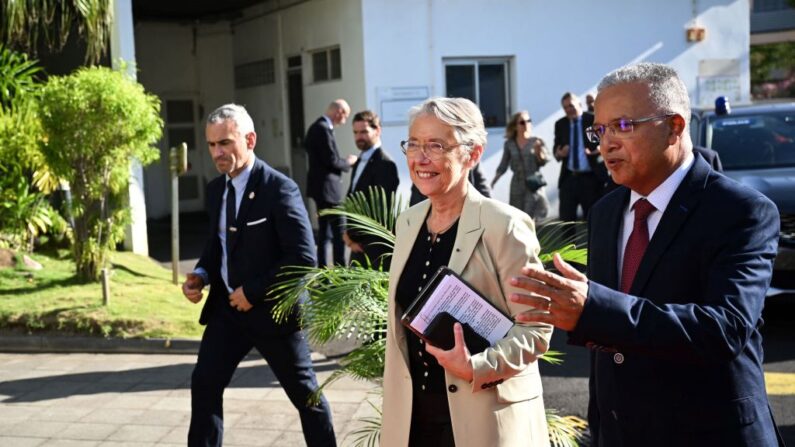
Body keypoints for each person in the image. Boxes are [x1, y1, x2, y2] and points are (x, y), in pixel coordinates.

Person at [510, 63, 784, 446]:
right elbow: (607, 351)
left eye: (623, 126)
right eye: (599, 129)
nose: (605, 144)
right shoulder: (605, 212)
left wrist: (593, 308)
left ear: (674, 126)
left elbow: (725, 329)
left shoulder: (741, 211)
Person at [381, 97, 553, 447]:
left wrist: (477, 365)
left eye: (436, 145)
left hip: (481, 417)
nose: (420, 158)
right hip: (414, 418)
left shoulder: (504, 225)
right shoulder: (408, 222)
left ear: (472, 154)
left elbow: (535, 330)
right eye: (413, 144)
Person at [183, 104, 336, 447]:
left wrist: (253, 291)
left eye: (225, 143)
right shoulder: (215, 190)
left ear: (250, 139)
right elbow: (217, 246)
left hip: (273, 313)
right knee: (205, 384)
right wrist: (201, 275)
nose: (217, 153)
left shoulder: (279, 189)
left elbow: (303, 258)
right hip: (227, 313)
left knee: (306, 396)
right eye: (211, 145)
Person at [344, 109, 400, 269]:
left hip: (372, 246)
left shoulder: (385, 164)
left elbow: (380, 208)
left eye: (363, 132)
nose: (358, 137)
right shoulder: (360, 159)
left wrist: (354, 238)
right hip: (357, 243)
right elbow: (352, 198)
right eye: (355, 132)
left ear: (378, 130)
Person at [305, 99, 358, 266]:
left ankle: (324, 272)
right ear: (339, 113)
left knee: (324, 233)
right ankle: (340, 270)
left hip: (321, 189)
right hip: (327, 190)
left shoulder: (318, 127)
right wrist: (348, 162)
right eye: (346, 116)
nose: (345, 120)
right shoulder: (321, 129)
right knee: (338, 231)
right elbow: (331, 160)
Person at [553, 92, 606, 221]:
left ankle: (593, 242)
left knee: (593, 220)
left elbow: (607, 140)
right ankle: (570, 242)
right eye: (565, 107)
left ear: (580, 104)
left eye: (571, 105)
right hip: (569, 178)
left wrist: (600, 149)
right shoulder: (561, 124)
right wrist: (559, 152)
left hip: (591, 178)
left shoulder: (593, 120)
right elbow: (556, 149)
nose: (568, 110)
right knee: (566, 221)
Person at [491, 110, 551, 221]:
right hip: (517, 184)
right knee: (516, 216)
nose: (526, 124)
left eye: (528, 121)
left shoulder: (536, 141)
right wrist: (494, 180)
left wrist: (539, 152)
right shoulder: (509, 144)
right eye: (522, 122)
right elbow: (504, 164)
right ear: (515, 126)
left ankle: (530, 236)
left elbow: (545, 160)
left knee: (529, 216)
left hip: (533, 182)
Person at [409, 162, 491, 206]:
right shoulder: (423, 162)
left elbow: (484, 194)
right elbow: (415, 202)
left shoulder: (469, 160)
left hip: (466, 217)